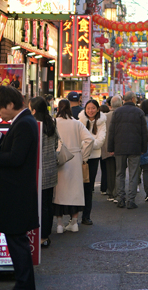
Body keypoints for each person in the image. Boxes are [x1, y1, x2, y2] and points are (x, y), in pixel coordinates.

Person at [0, 86, 40, 289]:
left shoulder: (24, 123)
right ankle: (23, 283)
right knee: (17, 242)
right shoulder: (23, 121)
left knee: (17, 243)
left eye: (0, 109)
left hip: (15, 194)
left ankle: (24, 284)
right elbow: (17, 148)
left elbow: (16, 158)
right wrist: (0, 139)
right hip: (16, 193)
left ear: (10, 104)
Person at [53, 99, 94, 233]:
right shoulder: (77, 123)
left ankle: (59, 224)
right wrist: (84, 156)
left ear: (58, 108)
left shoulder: (54, 123)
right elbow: (89, 139)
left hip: (59, 158)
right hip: (75, 158)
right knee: (74, 191)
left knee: (58, 192)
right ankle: (74, 222)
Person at [25, 96, 57, 250]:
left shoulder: (34, 125)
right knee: (48, 204)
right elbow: (56, 143)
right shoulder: (51, 122)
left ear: (34, 110)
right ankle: (46, 235)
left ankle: (42, 237)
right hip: (51, 169)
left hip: (39, 169)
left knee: (40, 205)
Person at [106, 91, 148, 209]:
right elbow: (144, 133)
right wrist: (143, 148)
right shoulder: (139, 112)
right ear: (133, 99)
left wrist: (110, 148)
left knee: (120, 173)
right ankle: (131, 200)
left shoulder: (117, 112)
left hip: (119, 147)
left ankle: (120, 199)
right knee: (134, 174)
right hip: (135, 148)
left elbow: (112, 131)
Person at [80, 99, 106, 225]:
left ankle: (86, 215)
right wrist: (91, 142)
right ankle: (73, 216)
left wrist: (87, 142)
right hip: (80, 157)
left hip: (94, 158)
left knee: (89, 188)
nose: (90, 111)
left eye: (93, 108)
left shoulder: (102, 122)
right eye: (88, 108)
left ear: (97, 109)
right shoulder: (79, 120)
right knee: (77, 187)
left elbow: (100, 142)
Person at [101, 96, 121, 201]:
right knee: (120, 170)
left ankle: (111, 193)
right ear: (121, 104)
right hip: (120, 147)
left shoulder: (105, 117)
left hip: (107, 147)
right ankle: (118, 192)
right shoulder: (123, 115)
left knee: (110, 171)